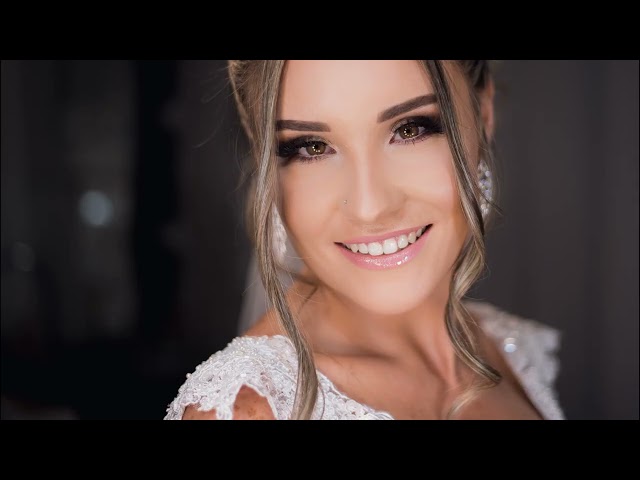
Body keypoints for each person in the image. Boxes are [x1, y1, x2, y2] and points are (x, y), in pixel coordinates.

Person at [164, 60, 564, 420]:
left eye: (409, 129)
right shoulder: (248, 409)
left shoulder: (505, 348)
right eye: (312, 147)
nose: (370, 207)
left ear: (483, 113)